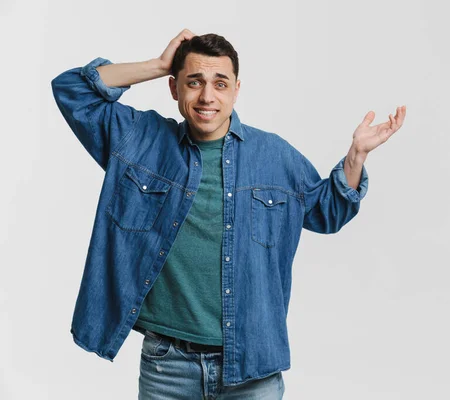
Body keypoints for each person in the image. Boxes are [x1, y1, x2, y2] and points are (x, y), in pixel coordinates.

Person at [51, 28, 406, 399]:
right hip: (166, 365)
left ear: (237, 90)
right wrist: (157, 64)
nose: (207, 96)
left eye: (220, 84)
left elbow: (328, 213)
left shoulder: (275, 156)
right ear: (174, 88)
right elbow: (72, 90)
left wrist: (356, 156)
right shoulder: (140, 140)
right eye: (194, 82)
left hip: (251, 367)